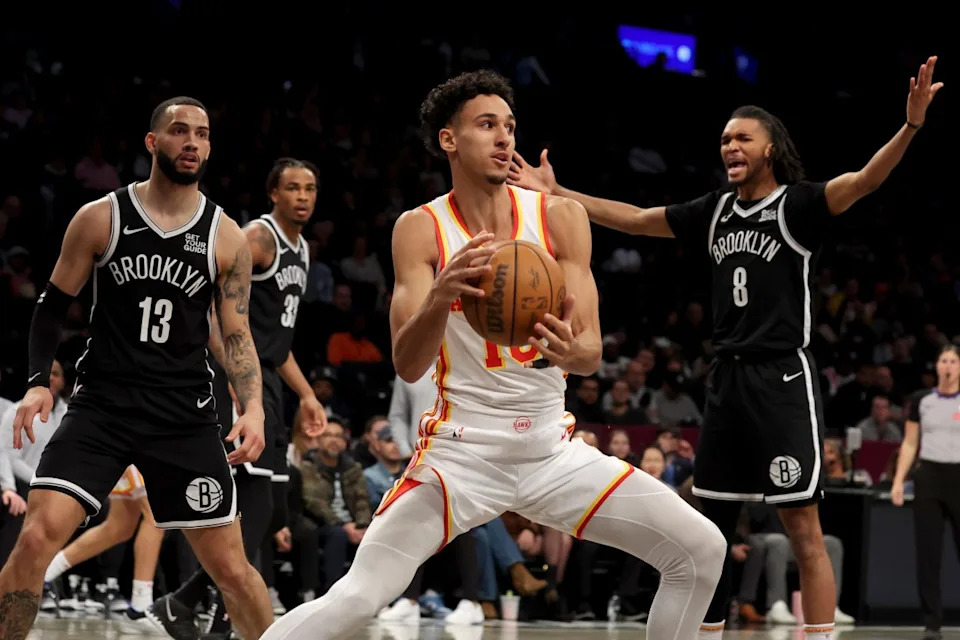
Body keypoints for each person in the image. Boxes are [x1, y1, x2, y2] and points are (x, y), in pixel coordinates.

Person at [260, 69, 725, 640]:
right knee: (359, 598)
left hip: (550, 449)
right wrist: (441, 295)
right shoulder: (421, 228)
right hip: (461, 454)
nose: (505, 138)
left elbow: (589, 354)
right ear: (449, 139)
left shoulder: (559, 216)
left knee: (702, 549)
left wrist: (566, 348)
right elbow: (407, 364)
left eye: (510, 126)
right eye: (487, 125)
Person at [509, 56, 943, 640]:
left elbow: (863, 181)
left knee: (804, 529)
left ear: (769, 149)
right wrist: (559, 194)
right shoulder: (714, 211)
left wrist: (910, 126)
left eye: (742, 137)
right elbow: (637, 219)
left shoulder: (798, 205)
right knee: (711, 531)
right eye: (724, 140)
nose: (729, 146)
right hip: (727, 381)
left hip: (782, 378)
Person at [0, 96, 275, 640]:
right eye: (179, 131)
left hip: (184, 415)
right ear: (153, 142)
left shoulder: (225, 236)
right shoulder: (102, 216)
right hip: (101, 407)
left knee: (234, 573)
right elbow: (52, 305)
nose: (192, 142)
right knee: (33, 540)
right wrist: (37, 385)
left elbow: (236, 334)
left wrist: (255, 407)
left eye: (202, 133)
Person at [148, 157, 327, 638]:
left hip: (268, 381)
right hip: (236, 379)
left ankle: (184, 602)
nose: (303, 196)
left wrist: (307, 395)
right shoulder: (258, 238)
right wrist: (235, 378)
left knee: (271, 510)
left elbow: (279, 343)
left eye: (310, 188)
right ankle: (219, 621)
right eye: (293, 188)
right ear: (274, 193)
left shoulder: (302, 250)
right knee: (254, 505)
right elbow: (210, 311)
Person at [891, 344, 960, 640]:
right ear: (936, 366)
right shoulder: (922, 400)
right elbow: (909, 443)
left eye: (953, 361)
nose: (947, 366)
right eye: (943, 360)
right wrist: (898, 480)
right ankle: (932, 622)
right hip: (929, 476)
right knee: (929, 553)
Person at [43, 465, 165, 628]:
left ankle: (45, 572)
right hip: (138, 447)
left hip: (130, 450)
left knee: (119, 527)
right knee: (156, 516)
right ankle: (140, 605)